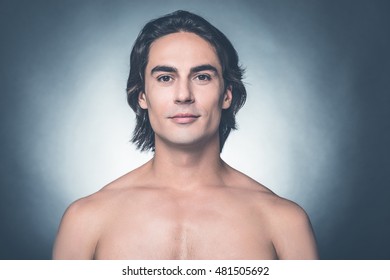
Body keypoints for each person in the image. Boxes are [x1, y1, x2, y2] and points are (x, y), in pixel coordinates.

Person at [53, 10, 318, 260]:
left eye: (202, 77)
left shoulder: (284, 222)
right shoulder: (85, 221)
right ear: (142, 95)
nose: (183, 95)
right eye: (165, 78)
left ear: (227, 94)